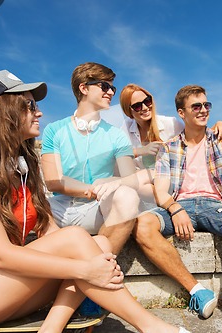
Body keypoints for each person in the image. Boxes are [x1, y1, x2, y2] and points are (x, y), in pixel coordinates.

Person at [0, 70, 190, 333]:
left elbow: (50, 232)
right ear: (2, 112)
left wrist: (91, 262)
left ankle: (51, 328)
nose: (38, 112)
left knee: (95, 243)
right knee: (78, 243)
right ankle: (153, 327)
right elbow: (0, 255)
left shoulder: (20, 169)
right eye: (29, 105)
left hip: (2, 290)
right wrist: (85, 269)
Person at [133, 85, 222, 333]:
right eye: (196, 106)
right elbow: (160, 191)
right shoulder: (168, 147)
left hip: (216, 205)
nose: (203, 110)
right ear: (181, 113)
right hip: (180, 204)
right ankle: (197, 290)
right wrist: (175, 209)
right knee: (143, 225)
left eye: (207, 105)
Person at [41, 62, 140, 255]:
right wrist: (93, 189)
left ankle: (99, 264)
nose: (111, 92)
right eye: (104, 86)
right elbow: (53, 181)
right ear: (84, 88)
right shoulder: (53, 130)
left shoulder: (117, 135)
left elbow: (131, 179)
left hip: (95, 211)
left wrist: (113, 182)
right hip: (58, 208)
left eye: (112, 87)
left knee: (128, 197)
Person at [119, 83, 222, 169]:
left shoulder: (170, 123)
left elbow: (196, 134)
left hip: (166, 178)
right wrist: (142, 150)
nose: (145, 107)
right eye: (137, 106)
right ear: (128, 110)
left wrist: (218, 124)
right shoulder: (126, 127)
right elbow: (114, 154)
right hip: (143, 179)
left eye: (147, 101)